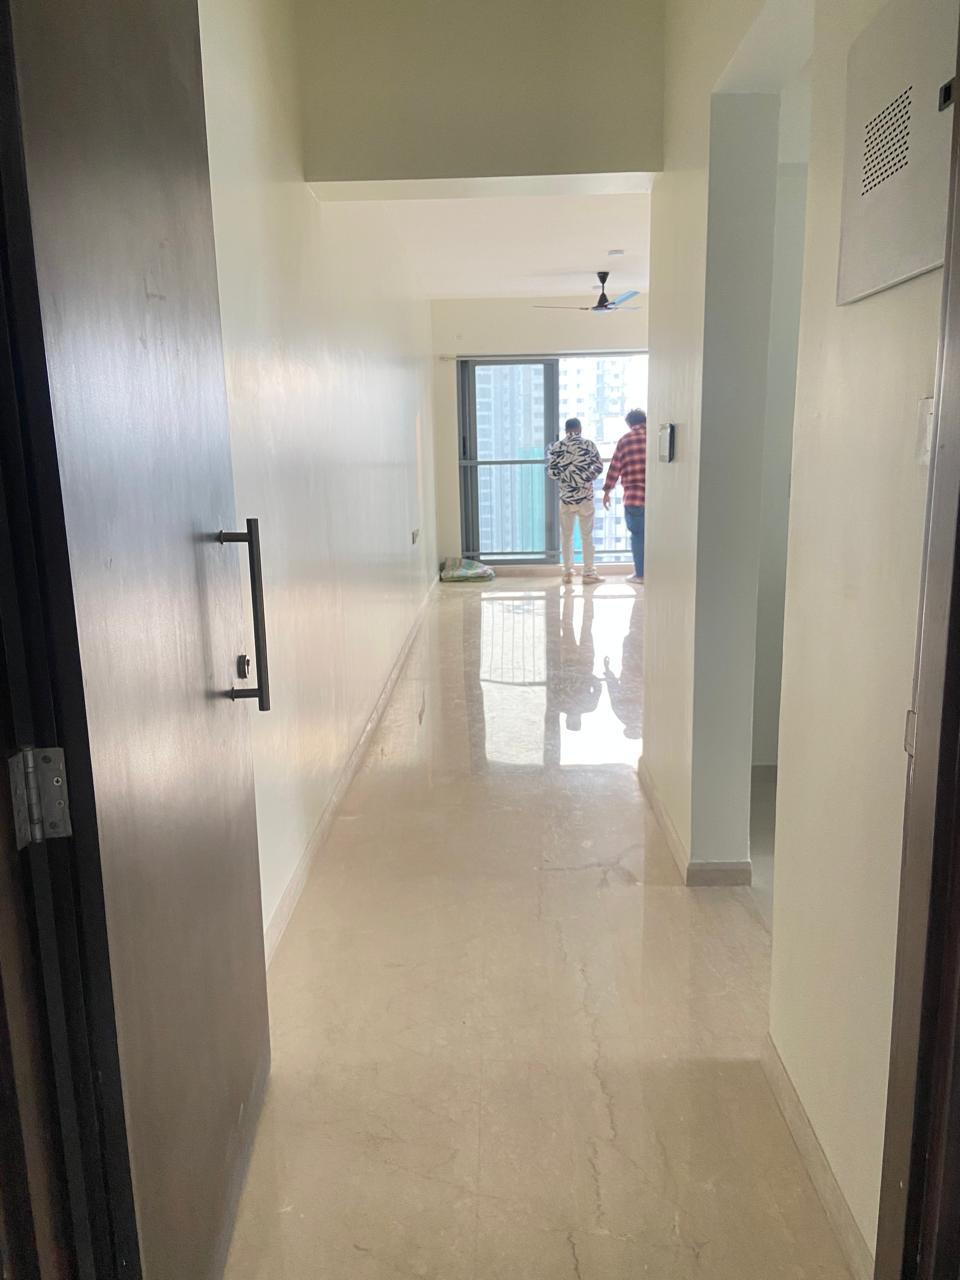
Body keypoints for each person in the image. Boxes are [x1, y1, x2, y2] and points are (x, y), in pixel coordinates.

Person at [547, 417, 604, 585]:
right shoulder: (588, 445)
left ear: (566, 430)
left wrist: (567, 478)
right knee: (587, 536)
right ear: (580, 429)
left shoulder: (557, 447)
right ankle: (588, 573)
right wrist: (584, 478)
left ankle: (567, 572)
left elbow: (551, 472)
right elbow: (598, 467)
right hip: (585, 497)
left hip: (566, 498)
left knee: (566, 536)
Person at [603, 407, 647, 584]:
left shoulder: (625, 440)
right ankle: (659, 573)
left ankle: (641, 575)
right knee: (658, 536)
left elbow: (615, 467)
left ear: (629, 424)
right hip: (657, 498)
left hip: (634, 497)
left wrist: (607, 491)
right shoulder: (656, 438)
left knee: (638, 536)